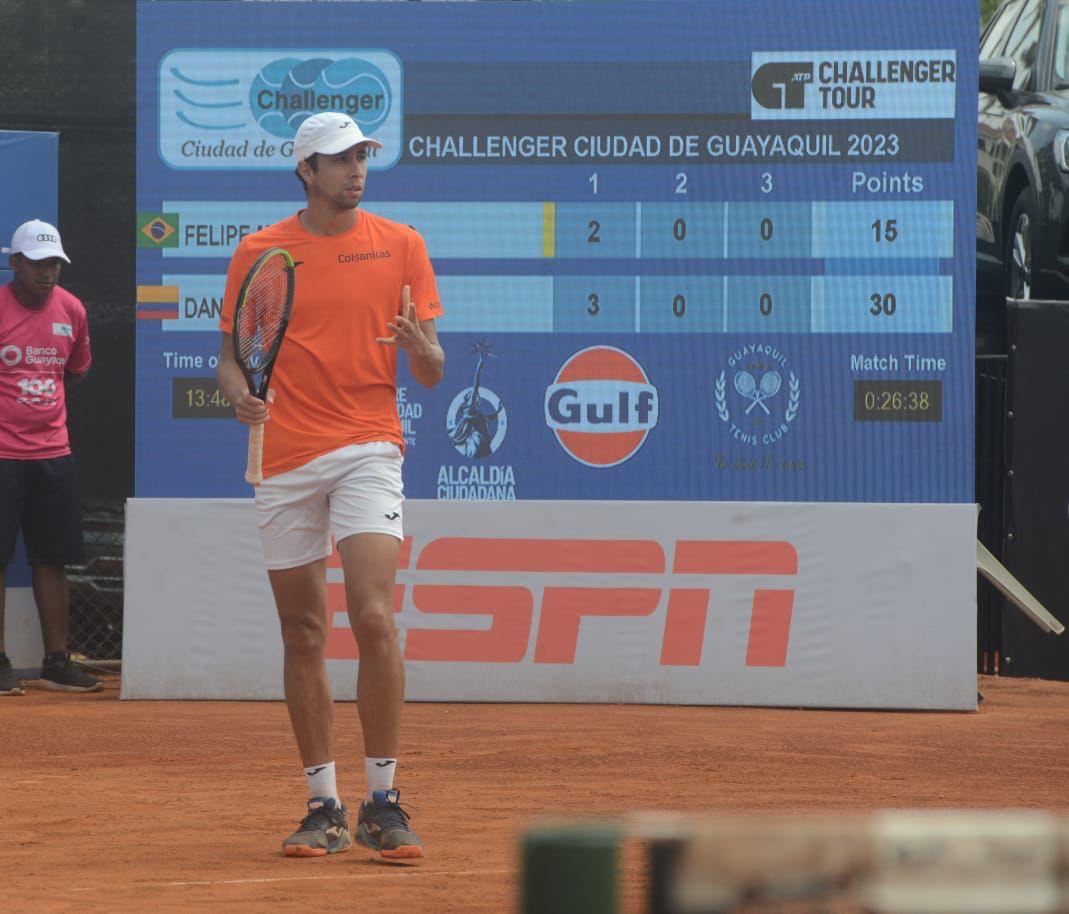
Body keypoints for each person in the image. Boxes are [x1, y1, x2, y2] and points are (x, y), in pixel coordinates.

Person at [216, 112, 444, 860]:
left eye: (361, 157)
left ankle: (383, 800)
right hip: (281, 456)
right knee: (304, 633)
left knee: (374, 617)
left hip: (368, 448)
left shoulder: (402, 244)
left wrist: (422, 350)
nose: (356, 170)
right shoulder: (259, 251)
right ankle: (323, 807)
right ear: (305, 171)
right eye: (339, 160)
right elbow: (230, 357)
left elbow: (433, 366)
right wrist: (236, 394)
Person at [0, 219, 101, 696]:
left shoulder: (73, 310)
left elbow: (74, 372)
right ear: (14, 262)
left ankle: (56, 662)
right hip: (1, 455)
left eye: (55, 264)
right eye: (38, 264)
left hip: (53, 454)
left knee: (53, 559)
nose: (48, 273)